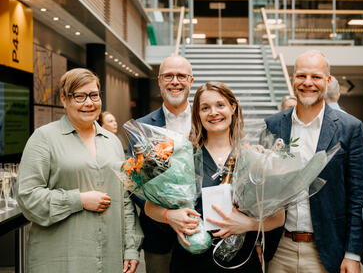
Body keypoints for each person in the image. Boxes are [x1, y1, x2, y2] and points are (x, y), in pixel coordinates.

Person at [144, 81, 285, 273]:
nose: (213, 112)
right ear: (198, 115)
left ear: (232, 108)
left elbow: (278, 218)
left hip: (241, 262)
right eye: (205, 108)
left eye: (220, 105)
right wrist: (170, 216)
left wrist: (249, 224)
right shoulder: (183, 157)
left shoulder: (254, 158)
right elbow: (150, 207)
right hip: (191, 261)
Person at [17, 68, 142, 273]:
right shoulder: (43, 138)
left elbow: (125, 200)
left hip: (110, 257)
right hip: (61, 258)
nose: (89, 103)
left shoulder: (113, 142)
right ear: (64, 99)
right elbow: (28, 197)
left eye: (94, 95)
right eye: (79, 96)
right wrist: (79, 200)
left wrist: (131, 248)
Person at [264, 50, 363, 273]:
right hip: (278, 249)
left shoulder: (350, 128)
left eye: (316, 77)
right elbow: (261, 191)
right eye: (301, 76)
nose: (307, 83)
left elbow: (358, 195)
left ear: (328, 81)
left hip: (327, 250)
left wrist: (353, 254)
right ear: (293, 78)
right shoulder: (272, 125)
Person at [132, 55, 194, 273]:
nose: (175, 81)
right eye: (168, 76)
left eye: (181, 76)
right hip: (158, 235)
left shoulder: (206, 119)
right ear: (159, 81)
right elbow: (137, 182)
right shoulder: (142, 127)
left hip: (199, 227)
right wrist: (166, 212)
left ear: (191, 81)